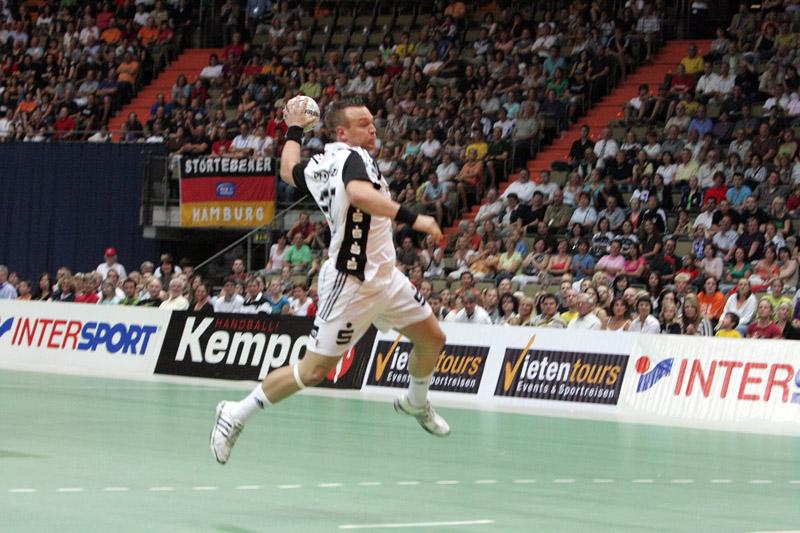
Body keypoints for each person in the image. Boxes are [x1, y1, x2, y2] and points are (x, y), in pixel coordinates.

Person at [210, 98, 450, 465]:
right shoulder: (355, 158)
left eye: (372, 122)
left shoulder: (323, 162)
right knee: (313, 371)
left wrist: (293, 128)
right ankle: (235, 413)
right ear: (342, 133)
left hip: (386, 277)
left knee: (432, 338)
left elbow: (288, 171)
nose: (372, 128)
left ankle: (416, 402)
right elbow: (360, 195)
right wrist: (416, 219)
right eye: (362, 124)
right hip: (351, 283)